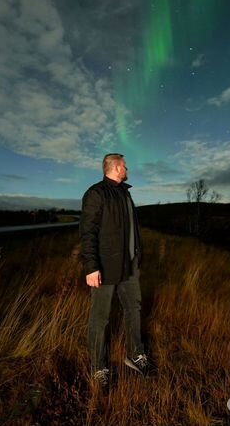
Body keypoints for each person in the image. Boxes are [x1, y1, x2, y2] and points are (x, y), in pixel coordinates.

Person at [80, 153, 148, 388]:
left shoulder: (125, 193)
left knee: (134, 309)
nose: (128, 168)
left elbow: (131, 229)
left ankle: (135, 355)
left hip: (129, 266)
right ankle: (98, 368)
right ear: (117, 167)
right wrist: (91, 267)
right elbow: (87, 232)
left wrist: (137, 254)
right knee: (100, 318)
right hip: (105, 268)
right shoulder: (96, 194)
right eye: (125, 165)